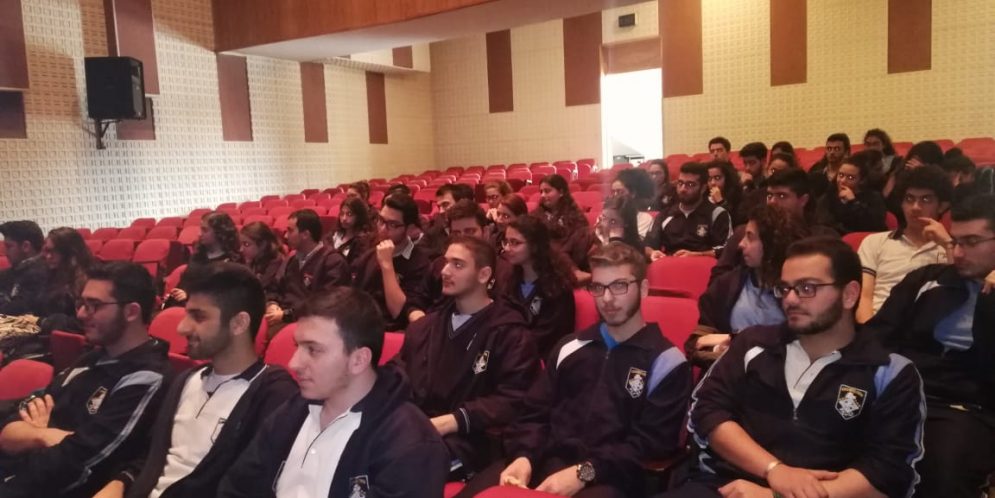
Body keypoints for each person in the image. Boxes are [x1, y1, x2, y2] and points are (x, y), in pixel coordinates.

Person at [662, 237, 925, 498]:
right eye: (785, 288)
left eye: (806, 288)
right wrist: (774, 469)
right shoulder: (752, 344)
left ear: (849, 295)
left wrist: (774, 496)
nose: (790, 299)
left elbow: (886, 473)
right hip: (728, 487)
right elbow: (708, 412)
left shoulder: (889, 372)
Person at [457, 242, 692, 498]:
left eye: (619, 286)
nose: (607, 298)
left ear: (643, 289)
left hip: (609, 479)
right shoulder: (570, 347)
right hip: (542, 462)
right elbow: (533, 415)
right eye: (598, 287)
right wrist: (524, 456)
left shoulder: (667, 363)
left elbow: (648, 445)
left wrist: (583, 473)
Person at [218, 287, 449, 498]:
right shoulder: (291, 410)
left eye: (313, 350)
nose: (293, 363)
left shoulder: (412, 445)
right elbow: (237, 488)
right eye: (298, 347)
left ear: (358, 360)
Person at [93, 263, 298, 498]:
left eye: (198, 317)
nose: (182, 328)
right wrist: (120, 482)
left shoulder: (273, 396)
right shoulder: (185, 380)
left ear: (239, 323)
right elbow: (150, 456)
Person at [0, 262, 171, 498]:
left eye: (94, 306)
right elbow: (15, 418)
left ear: (131, 312)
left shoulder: (147, 378)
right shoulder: (92, 358)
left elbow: (80, 463)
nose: (80, 314)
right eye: (81, 304)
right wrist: (42, 435)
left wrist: (28, 439)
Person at [865, 194, 995, 498]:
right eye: (954, 241)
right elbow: (876, 336)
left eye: (971, 242)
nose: (958, 253)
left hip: (965, 407)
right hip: (901, 391)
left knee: (942, 469)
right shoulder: (926, 279)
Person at [390, 237, 540, 476]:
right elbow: (397, 375)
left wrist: (454, 420)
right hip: (416, 428)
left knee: (398, 466)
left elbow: (514, 398)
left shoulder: (510, 333)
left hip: (472, 440)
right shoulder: (426, 327)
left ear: (483, 275)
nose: (445, 271)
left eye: (458, 265)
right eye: (446, 262)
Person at [686, 205, 809, 368]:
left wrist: (736, 341)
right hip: (729, 375)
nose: (741, 244)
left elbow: (805, 346)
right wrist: (719, 349)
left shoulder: (802, 292)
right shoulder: (726, 285)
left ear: (772, 243)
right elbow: (697, 343)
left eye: (750, 238)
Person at [856, 165, 953, 323]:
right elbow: (864, 297)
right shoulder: (875, 242)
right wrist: (869, 332)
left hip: (928, 327)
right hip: (879, 325)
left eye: (925, 200)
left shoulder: (953, 247)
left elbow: (960, 292)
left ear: (941, 205)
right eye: (909, 199)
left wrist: (948, 245)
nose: (915, 207)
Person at [711, 168, 838, 280]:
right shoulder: (745, 234)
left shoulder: (823, 238)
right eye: (770, 195)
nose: (772, 202)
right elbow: (719, 276)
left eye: (781, 196)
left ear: (803, 200)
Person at [497, 215, 577, 357]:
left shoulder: (557, 287)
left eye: (515, 243)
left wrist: (508, 344)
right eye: (506, 242)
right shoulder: (509, 280)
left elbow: (549, 336)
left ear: (534, 245)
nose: (507, 248)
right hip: (510, 352)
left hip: (541, 358)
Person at [352, 193, 432, 331]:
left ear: (410, 228)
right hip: (363, 327)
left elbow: (398, 313)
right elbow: (355, 298)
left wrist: (387, 265)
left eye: (393, 225)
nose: (383, 229)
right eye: (381, 220)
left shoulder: (421, 262)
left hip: (394, 331)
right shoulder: (369, 256)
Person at [406, 200, 492, 321]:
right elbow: (415, 301)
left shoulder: (503, 271)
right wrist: (421, 323)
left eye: (470, 232)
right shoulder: (439, 265)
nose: (463, 239)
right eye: (456, 233)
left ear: (486, 233)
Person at [265, 209, 350, 329]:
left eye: (290, 231)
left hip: (312, 325)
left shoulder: (333, 262)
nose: (285, 236)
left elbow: (326, 304)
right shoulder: (292, 259)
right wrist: (272, 304)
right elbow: (274, 287)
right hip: (284, 318)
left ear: (305, 234)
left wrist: (287, 315)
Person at [645, 162, 732, 259]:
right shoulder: (665, 214)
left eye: (690, 184)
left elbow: (726, 249)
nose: (683, 189)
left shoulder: (717, 214)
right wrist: (652, 253)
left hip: (703, 264)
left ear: (703, 188)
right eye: (680, 183)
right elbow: (647, 245)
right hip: (670, 263)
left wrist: (697, 255)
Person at [165, 211, 240, 308]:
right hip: (183, 305)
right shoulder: (198, 256)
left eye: (205, 230)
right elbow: (184, 283)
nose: (199, 234)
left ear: (219, 233)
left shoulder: (232, 262)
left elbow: (224, 296)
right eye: (201, 229)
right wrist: (174, 295)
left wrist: (189, 297)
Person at [816, 149, 888, 234]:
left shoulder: (874, 198)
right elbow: (824, 225)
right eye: (841, 175)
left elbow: (874, 225)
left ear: (862, 180)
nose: (842, 180)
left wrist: (853, 202)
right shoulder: (828, 197)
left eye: (850, 177)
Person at [532, 174, 594, 270]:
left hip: (574, 261)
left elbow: (580, 243)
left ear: (561, 192)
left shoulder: (576, 215)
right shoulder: (535, 216)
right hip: (544, 263)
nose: (543, 195)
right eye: (541, 192)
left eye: (547, 191)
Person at [40, 227, 94, 325]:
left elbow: (84, 321)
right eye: (47, 251)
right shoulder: (51, 273)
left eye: (54, 252)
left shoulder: (86, 279)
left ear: (70, 253)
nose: (48, 256)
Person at [0, 220, 48, 316]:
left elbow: (17, 309)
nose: (5, 252)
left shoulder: (43, 273)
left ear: (26, 246)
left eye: (9, 246)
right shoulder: (10, 272)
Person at [238, 222, 286, 300]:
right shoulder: (251, 260)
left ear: (263, 245)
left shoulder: (279, 264)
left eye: (246, 244)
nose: (241, 249)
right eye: (240, 244)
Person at [327, 196, 374, 265]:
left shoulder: (364, 240)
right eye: (342, 214)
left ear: (359, 216)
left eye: (349, 214)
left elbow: (356, 265)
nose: (344, 218)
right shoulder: (335, 233)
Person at [611, 168, 656, 238]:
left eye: (620, 191)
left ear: (633, 193)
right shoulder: (607, 215)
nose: (615, 196)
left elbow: (635, 242)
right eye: (613, 192)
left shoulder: (645, 218)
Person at [808, 132, 851, 198]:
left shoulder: (851, 173)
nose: (832, 152)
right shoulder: (816, 169)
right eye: (829, 149)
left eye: (837, 149)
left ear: (846, 152)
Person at [705, 160, 744, 226]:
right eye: (709, 179)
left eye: (717, 178)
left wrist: (721, 202)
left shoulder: (738, 196)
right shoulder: (703, 196)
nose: (713, 183)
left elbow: (735, 221)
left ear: (727, 179)